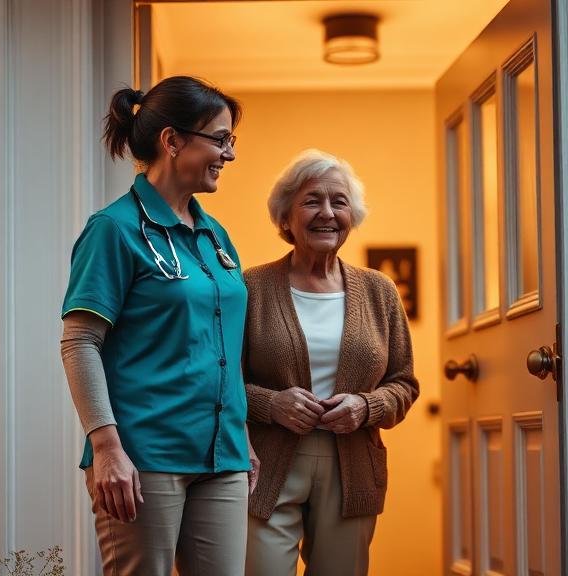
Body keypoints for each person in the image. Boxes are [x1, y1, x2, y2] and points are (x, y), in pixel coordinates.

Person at [59, 75, 258, 576]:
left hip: (223, 457)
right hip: (144, 457)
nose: (230, 154)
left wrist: (242, 437)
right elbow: (80, 341)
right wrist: (106, 447)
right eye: (220, 139)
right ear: (172, 141)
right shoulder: (114, 229)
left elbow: (223, 344)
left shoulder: (216, 236)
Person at [243, 149, 420, 576]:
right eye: (312, 201)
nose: (327, 212)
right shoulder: (251, 287)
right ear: (286, 217)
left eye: (339, 202)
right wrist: (271, 404)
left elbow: (404, 383)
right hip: (265, 464)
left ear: (351, 216)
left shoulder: (379, 291)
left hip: (353, 466)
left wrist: (366, 406)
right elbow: (220, 378)